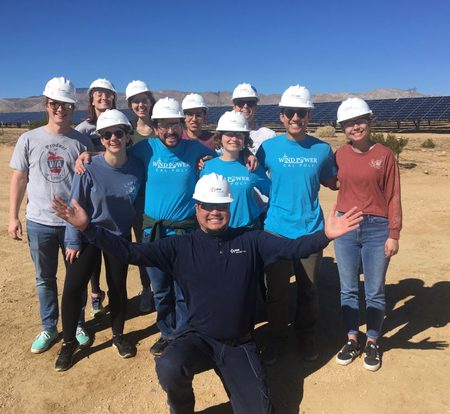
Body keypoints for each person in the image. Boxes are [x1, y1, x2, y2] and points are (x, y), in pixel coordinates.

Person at [52, 173, 362, 414]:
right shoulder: (179, 247)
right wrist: (88, 228)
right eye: (208, 206)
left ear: (229, 207)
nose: (215, 212)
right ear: (197, 207)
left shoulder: (252, 240)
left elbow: (294, 248)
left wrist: (325, 235)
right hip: (198, 338)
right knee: (169, 365)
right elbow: (130, 252)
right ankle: (182, 408)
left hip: (239, 344)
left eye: (221, 207)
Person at [8, 77, 94, 354]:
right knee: (45, 278)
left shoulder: (81, 142)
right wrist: (13, 216)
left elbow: (92, 181)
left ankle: (77, 323)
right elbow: (19, 179)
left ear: (73, 108)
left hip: (71, 226)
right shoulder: (28, 139)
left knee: (75, 279)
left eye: (66, 104)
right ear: (46, 105)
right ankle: (49, 327)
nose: (60, 109)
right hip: (39, 222)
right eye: (55, 104)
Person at [54, 109, 144, 371]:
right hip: (87, 235)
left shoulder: (138, 167)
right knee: (73, 288)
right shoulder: (89, 166)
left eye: (119, 132)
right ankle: (68, 343)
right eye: (107, 134)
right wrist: (71, 241)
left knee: (117, 287)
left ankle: (118, 335)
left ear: (128, 136)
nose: (113, 138)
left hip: (118, 236)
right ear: (101, 139)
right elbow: (74, 203)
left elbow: (139, 203)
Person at [256, 85, 338, 364]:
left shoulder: (323, 149)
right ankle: (277, 338)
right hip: (276, 230)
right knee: (276, 292)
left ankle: (305, 336)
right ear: (281, 116)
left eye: (301, 112)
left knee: (309, 290)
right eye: (290, 112)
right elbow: (248, 172)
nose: (295, 117)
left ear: (309, 115)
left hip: (311, 229)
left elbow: (334, 182)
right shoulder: (268, 148)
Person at [129, 97, 216, 356]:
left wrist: (247, 158)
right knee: (160, 288)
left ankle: (183, 332)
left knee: (183, 288)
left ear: (181, 125)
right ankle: (166, 332)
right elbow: (115, 156)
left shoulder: (195, 149)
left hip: (185, 233)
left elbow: (225, 158)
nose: (170, 131)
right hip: (153, 233)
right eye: (164, 126)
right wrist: (89, 155)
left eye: (174, 124)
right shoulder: (146, 149)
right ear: (155, 127)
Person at [333, 97, 402, 372]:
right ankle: (352, 338)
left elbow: (393, 194)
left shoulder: (384, 154)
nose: (355, 127)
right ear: (343, 128)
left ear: (369, 121)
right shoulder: (338, 155)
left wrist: (393, 233)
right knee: (347, 289)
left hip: (377, 228)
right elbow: (329, 179)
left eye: (360, 120)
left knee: (374, 291)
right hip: (346, 225)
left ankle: (372, 340)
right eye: (349, 123)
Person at [76, 78, 117, 317]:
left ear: (113, 98)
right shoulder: (83, 129)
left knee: (113, 246)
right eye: (98, 94)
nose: (103, 97)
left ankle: (114, 294)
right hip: (91, 197)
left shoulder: (120, 124)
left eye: (107, 94)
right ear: (91, 99)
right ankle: (95, 292)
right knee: (92, 245)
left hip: (112, 195)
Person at [201, 111, 270, 228]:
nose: (234, 138)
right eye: (229, 134)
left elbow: (272, 192)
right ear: (220, 137)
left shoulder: (252, 167)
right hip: (218, 231)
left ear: (245, 139)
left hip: (248, 231)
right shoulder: (207, 167)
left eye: (239, 134)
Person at [125, 80, 157, 313]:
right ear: (130, 105)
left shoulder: (164, 128)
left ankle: (167, 288)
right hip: (139, 202)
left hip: (164, 199)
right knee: (143, 248)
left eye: (144, 99)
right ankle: (147, 289)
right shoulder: (127, 134)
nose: (140, 104)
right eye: (135, 101)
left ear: (150, 101)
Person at [232, 83, 276, 155]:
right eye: (240, 103)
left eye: (250, 102)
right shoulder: (226, 137)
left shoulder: (268, 136)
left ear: (256, 107)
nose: (245, 106)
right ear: (234, 107)